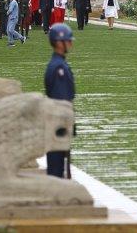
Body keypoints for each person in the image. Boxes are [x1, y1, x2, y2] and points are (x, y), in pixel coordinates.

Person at [44, 23, 75, 179]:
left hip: (58, 125)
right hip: (58, 126)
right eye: (68, 40)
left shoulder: (59, 64)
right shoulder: (58, 68)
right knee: (56, 173)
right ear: (58, 43)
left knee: (58, 169)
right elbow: (61, 101)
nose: (71, 43)